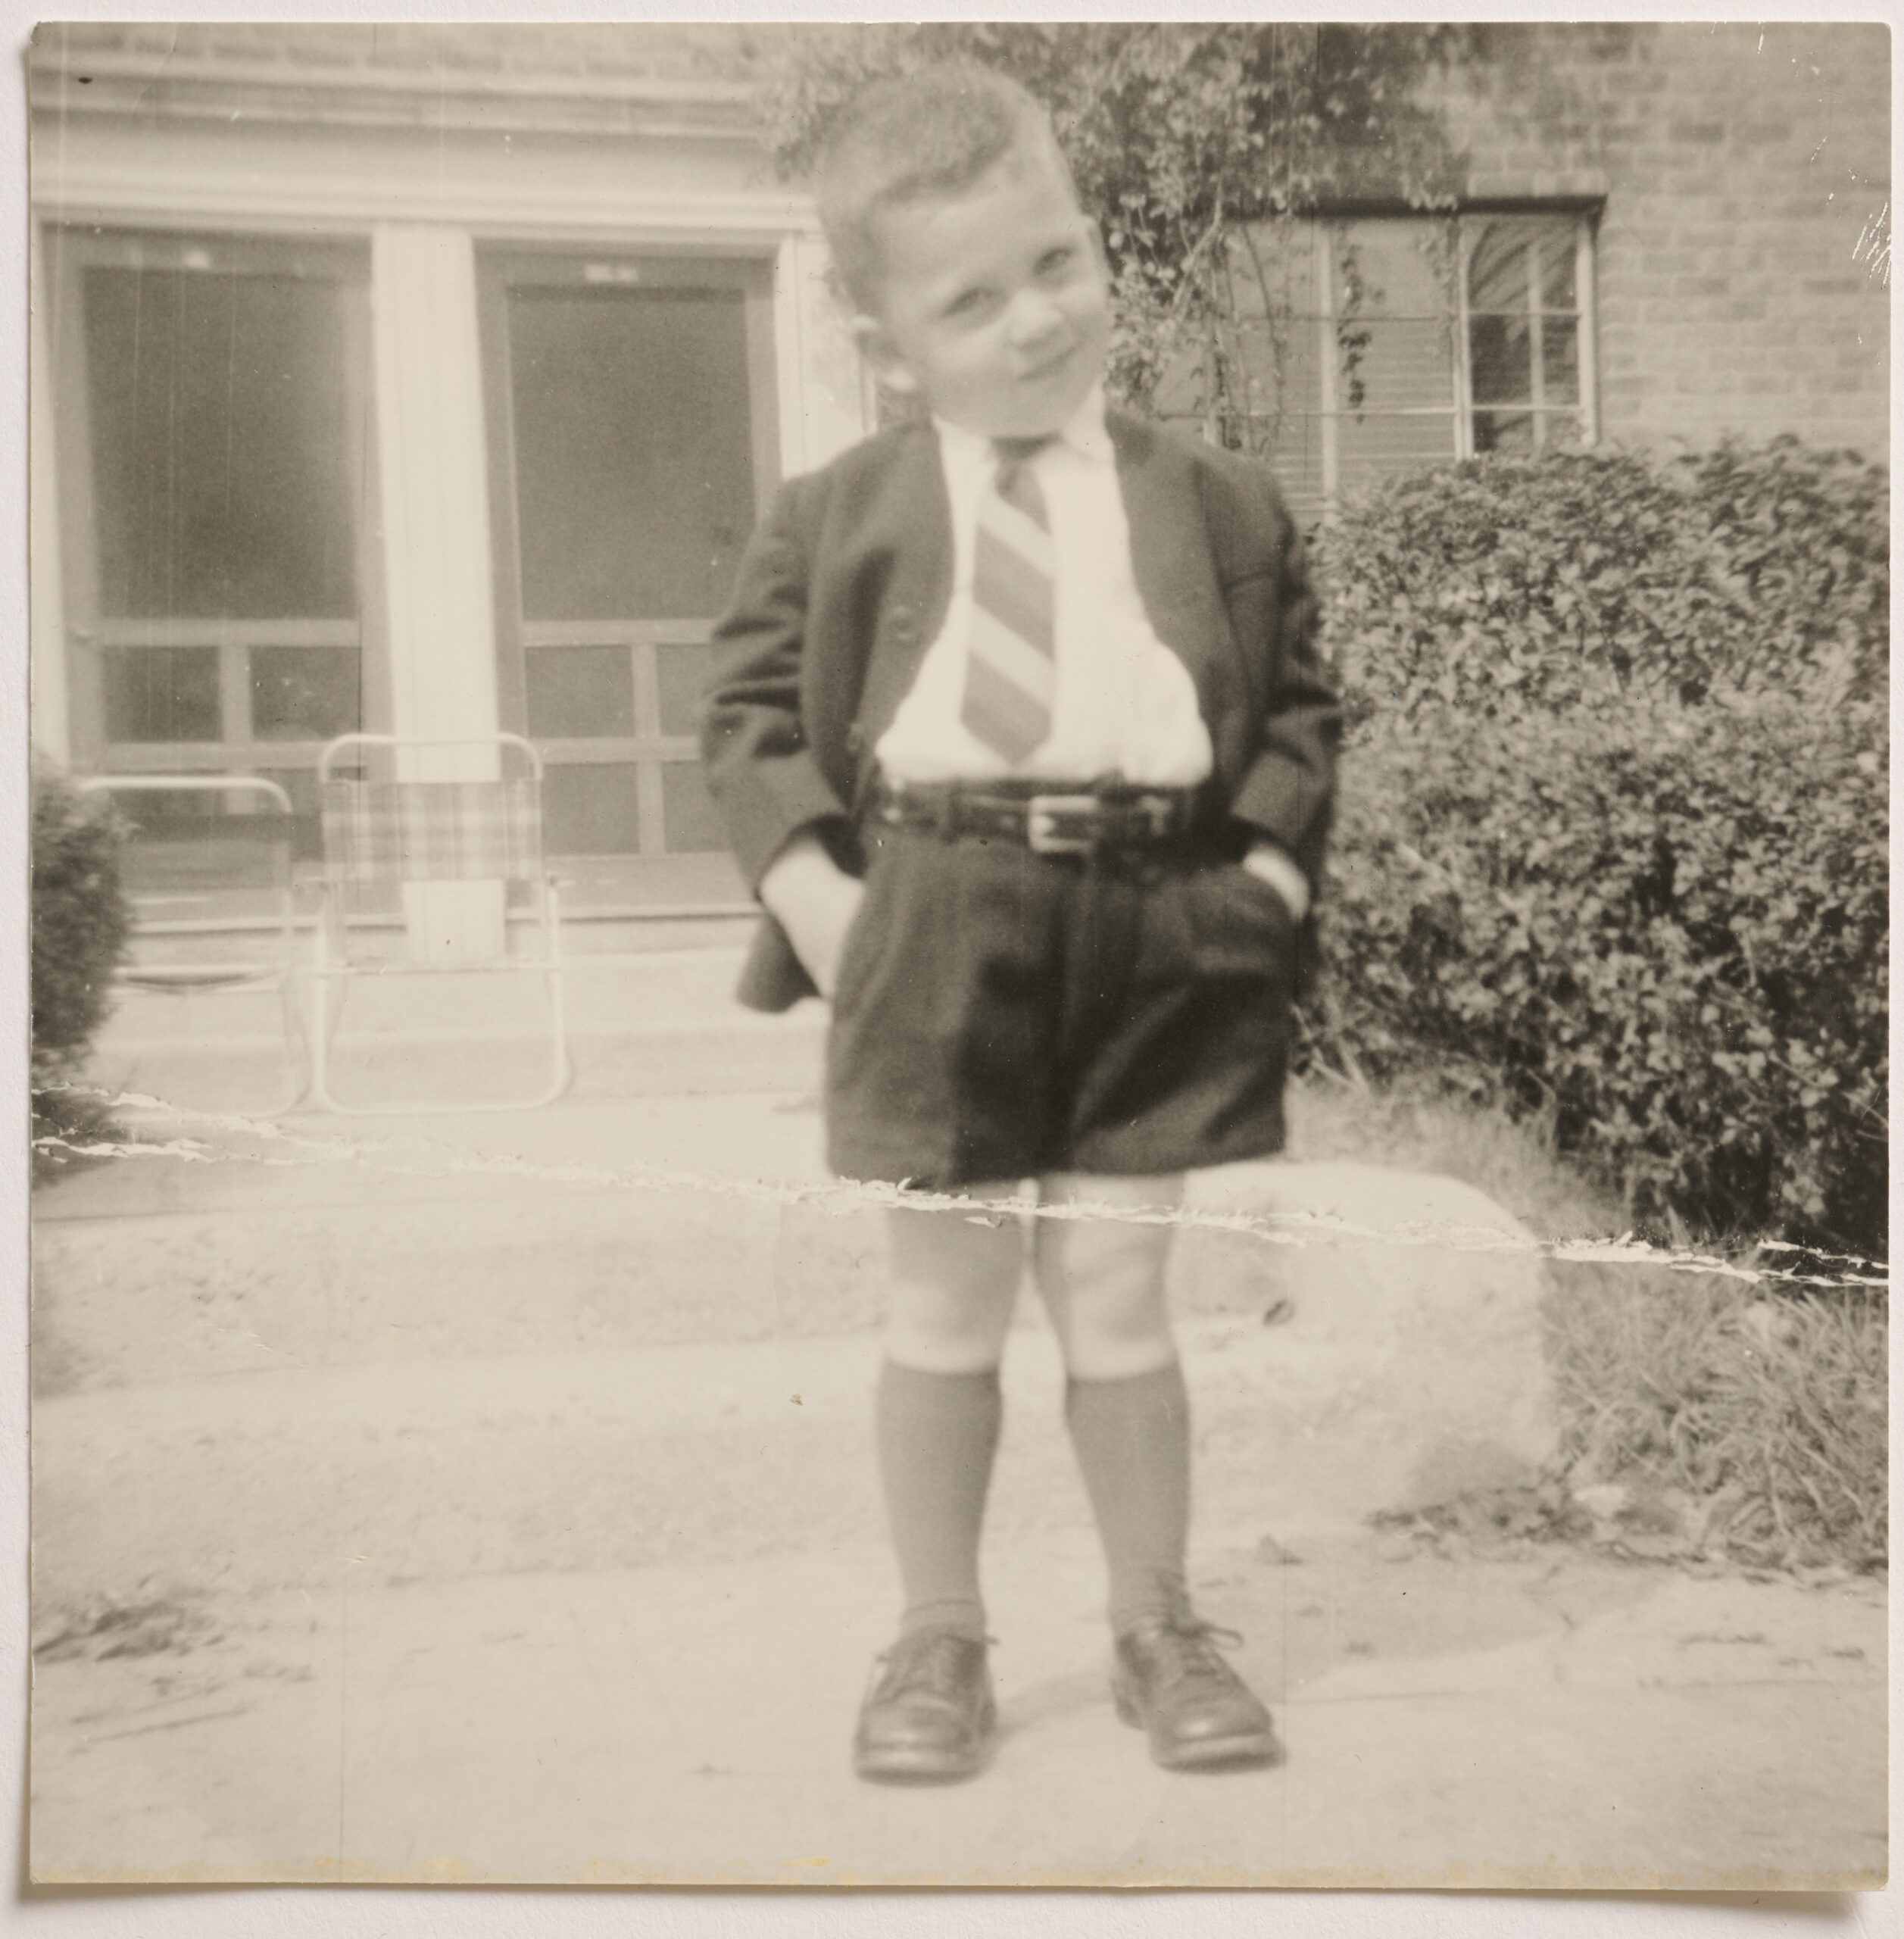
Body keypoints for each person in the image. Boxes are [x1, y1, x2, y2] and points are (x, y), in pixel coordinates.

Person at [700, 64, 1339, 1783]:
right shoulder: (836, 511)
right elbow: (746, 719)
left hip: (1158, 921)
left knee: (1119, 1293)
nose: (1034, 318)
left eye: (1055, 261)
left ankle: (1156, 1620)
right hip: (934, 915)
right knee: (946, 1294)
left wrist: (1264, 886)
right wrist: (820, 903)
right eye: (970, 301)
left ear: (1093, 238)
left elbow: (1297, 713)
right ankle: (939, 1631)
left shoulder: (1215, 499)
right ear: (885, 337)